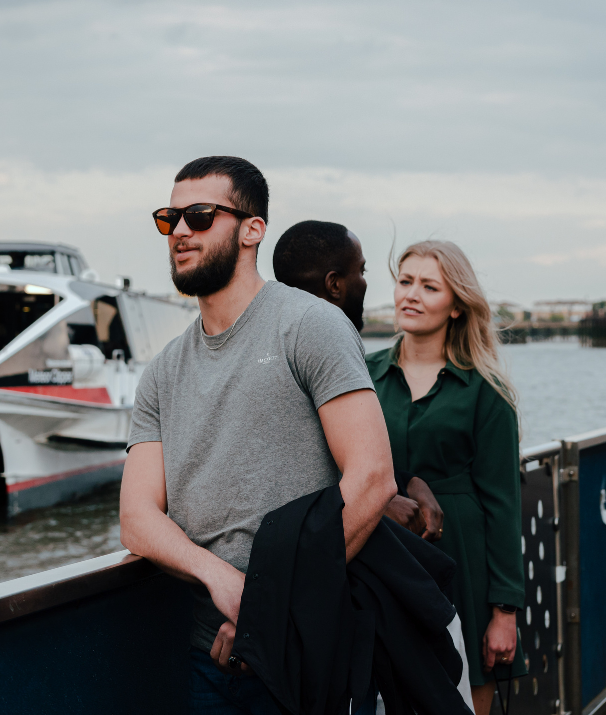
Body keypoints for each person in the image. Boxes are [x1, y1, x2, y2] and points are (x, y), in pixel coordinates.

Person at [120, 157, 397, 715]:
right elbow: (137, 517)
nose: (179, 231)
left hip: (307, 646)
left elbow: (372, 479)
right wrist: (218, 577)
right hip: (209, 654)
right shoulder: (162, 371)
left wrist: (268, 609)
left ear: (252, 230)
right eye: (169, 218)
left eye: (199, 216)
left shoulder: (310, 325)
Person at [365, 240, 526, 715]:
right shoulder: (361, 375)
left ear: (456, 306)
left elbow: (503, 505)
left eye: (429, 286)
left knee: (463, 700)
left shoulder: (486, 390)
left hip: (464, 564)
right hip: (383, 559)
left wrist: (504, 611)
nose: (411, 295)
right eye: (405, 281)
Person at [272, 220, 446, 542]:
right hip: (313, 551)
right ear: (335, 285)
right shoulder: (326, 346)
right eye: (362, 272)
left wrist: (407, 482)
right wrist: (378, 504)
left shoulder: (276, 344)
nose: (365, 283)